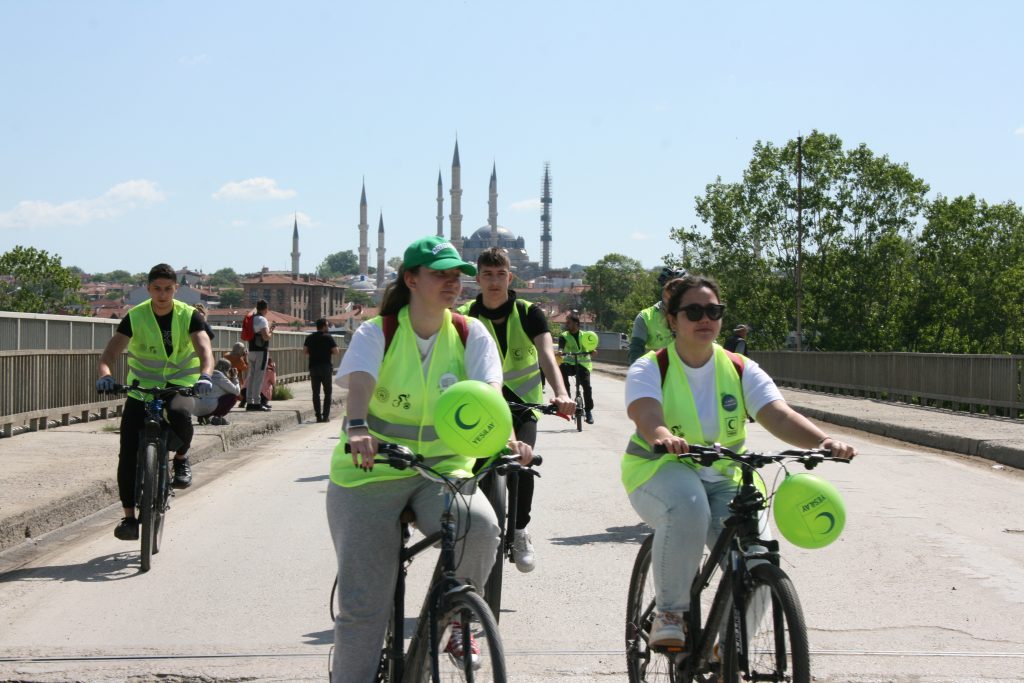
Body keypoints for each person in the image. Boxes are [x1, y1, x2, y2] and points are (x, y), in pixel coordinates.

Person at [327, 235, 533, 682]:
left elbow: (489, 394)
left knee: (481, 527)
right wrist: (358, 426)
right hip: (370, 470)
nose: (452, 282)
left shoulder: (468, 332)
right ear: (411, 279)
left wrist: (508, 440)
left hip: (442, 471)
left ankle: (456, 620)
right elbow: (360, 379)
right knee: (363, 610)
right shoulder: (377, 330)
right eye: (440, 274)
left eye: (456, 274)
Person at [621, 274, 856, 648]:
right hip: (659, 469)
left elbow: (778, 415)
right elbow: (646, 414)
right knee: (688, 508)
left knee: (759, 553)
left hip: (725, 474)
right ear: (672, 319)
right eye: (693, 311)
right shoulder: (652, 367)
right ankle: (670, 611)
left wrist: (823, 441)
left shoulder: (741, 367)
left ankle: (731, 647)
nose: (705, 319)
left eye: (713, 311)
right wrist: (663, 436)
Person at [457, 247, 575, 572]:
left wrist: (561, 393)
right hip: (480, 407)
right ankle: (477, 533)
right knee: (475, 470)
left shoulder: (528, 313)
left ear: (510, 277)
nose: (494, 281)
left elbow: (548, 356)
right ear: (477, 279)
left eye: (500, 274)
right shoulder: (465, 315)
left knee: (522, 465)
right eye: (487, 275)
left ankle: (520, 530)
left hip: (523, 405)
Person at [95, 263, 215, 541]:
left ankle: (181, 458)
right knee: (127, 451)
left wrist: (205, 375)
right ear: (148, 289)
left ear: (176, 290)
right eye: (157, 289)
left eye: (168, 289)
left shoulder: (190, 316)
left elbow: (204, 350)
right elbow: (108, 356)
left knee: (181, 416)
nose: (162, 294)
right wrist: (105, 375)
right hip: (142, 389)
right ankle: (128, 518)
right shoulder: (135, 316)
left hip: (180, 385)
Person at [628, 266, 686, 364]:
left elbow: (710, 347)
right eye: (670, 288)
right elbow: (635, 352)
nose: (674, 294)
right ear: (662, 290)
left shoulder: (696, 314)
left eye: (679, 290)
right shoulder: (645, 317)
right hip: (657, 375)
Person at [557, 311, 596, 424]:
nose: (567, 325)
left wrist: (593, 351)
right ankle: (567, 400)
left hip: (583, 365)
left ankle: (588, 411)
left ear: (576, 323)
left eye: (569, 323)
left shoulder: (585, 336)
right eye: (566, 323)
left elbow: (591, 346)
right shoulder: (564, 336)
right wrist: (560, 351)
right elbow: (561, 346)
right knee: (562, 371)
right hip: (569, 364)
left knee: (587, 387)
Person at [304, 318, 340, 422]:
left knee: (316, 393)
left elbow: (305, 351)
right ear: (324, 326)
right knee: (327, 392)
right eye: (327, 325)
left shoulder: (309, 337)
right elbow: (336, 351)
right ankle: (325, 416)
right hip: (325, 367)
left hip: (314, 367)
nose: (328, 327)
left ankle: (318, 416)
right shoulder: (328, 337)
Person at [188, 358, 241, 425]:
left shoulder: (204, 374)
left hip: (195, 409)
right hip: (208, 407)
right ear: (227, 369)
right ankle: (217, 417)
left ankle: (204, 417)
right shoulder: (219, 376)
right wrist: (235, 377)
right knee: (232, 397)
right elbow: (237, 392)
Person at [245, 299, 275, 411]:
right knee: (259, 377)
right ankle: (257, 402)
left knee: (251, 376)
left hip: (251, 350)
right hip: (261, 351)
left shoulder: (251, 318)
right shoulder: (262, 320)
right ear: (266, 309)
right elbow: (265, 336)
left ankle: (249, 402)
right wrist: (271, 331)